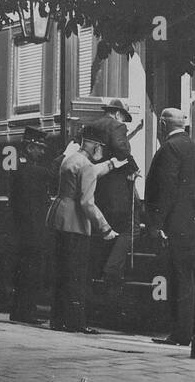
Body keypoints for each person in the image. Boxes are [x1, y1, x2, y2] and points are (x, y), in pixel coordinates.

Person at [46, 124, 117, 334]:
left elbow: (90, 173)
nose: (101, 151)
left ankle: (58, 320)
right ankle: (76, 323)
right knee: (77, 276)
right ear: (95, 145)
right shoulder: (85, 165)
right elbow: (87, 203)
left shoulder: (71, 159)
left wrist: (110, 165)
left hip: (59, 216)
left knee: (61, 273)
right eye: (101, 147)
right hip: (75, 223)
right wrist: (105, 228)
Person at [144, 107, 195, 346]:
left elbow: (165, 190)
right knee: (188, 278)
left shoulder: (168, 149)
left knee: (178, 278)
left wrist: (156, 223)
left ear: (163, 125)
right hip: (193, 223)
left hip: (174, 225)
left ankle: (180, 332)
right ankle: (189, 329)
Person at [88, 100, 140, 297]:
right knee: (132, 227)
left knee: (105, 231)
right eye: (124, 118)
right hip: (116, 191)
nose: (124, 122)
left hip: (97, 190)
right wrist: (134, 168)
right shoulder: (117, 126)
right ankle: (112, 270)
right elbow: (122, 150)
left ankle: (100, 274)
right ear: (118, 114)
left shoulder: (91, 126)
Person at [8, 126, 53, 324]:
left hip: (27, 232)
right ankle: (25, 313)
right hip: (31, 232)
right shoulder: (23, 166)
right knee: (30, 273)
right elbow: (35, 175)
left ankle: (21, 312)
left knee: (26, 273)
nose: (42, 152)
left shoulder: (27, 165)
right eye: (40, 148)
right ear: (30, 146)